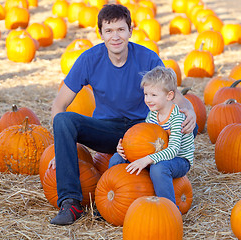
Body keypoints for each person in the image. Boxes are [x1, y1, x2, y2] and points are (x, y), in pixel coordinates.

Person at [49, 4, 197, 225]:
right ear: (101, 34)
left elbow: (171, 94)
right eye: (109, 31)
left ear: (130, 31)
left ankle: (157, 195)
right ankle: (71, 202)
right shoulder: (89, 59)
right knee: (63, 121)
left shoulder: (147, 58)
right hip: (107, 130)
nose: (115, 36)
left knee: (188, 126)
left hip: (143, 131)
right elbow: (59, 105)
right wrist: (61, 148)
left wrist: (191, 111)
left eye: (120, 29)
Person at [109, 66, 195, 209]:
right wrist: (125, 148)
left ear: (169, 96)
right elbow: (142, 141)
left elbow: (173, 150)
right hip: (155, 155)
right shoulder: (152, 115)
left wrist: (146, 160)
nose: (148, 99)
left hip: (178, 160)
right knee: (117, 158)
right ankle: (114, 199)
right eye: (146, 94)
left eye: (153, 95)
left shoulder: (176, 118)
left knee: (158, 169)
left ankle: (169, 210)